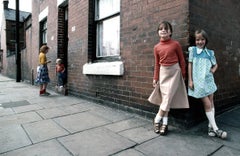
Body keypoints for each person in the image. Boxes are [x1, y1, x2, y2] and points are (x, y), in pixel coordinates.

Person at [188, 29, 227, 139]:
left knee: (211, 102)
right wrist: (190, 80)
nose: (200, 42)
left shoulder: (210, 53)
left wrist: (213, 70)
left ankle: (210, 127)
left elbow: (215, 65)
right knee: (207, 103)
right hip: (198, 82)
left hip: (209, 80)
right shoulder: (193, 51)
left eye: (202, 39)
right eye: (197, 40)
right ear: (195, 41)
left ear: (206, 40)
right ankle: (216, 129)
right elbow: (190, 65)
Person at [152, 21, 189, 135]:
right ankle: (165, 124)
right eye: (161, 29)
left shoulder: (175, 44)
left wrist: (183, 74)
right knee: (165, 99)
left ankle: (157, 119)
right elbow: (157, 64)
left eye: (166, 29)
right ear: (158, 32)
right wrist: (155, 77)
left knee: (167, 98)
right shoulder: (156, 47)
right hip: (163, 73)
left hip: (175, 72)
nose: (163, 30)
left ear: (170, 32)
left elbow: (182, 60)